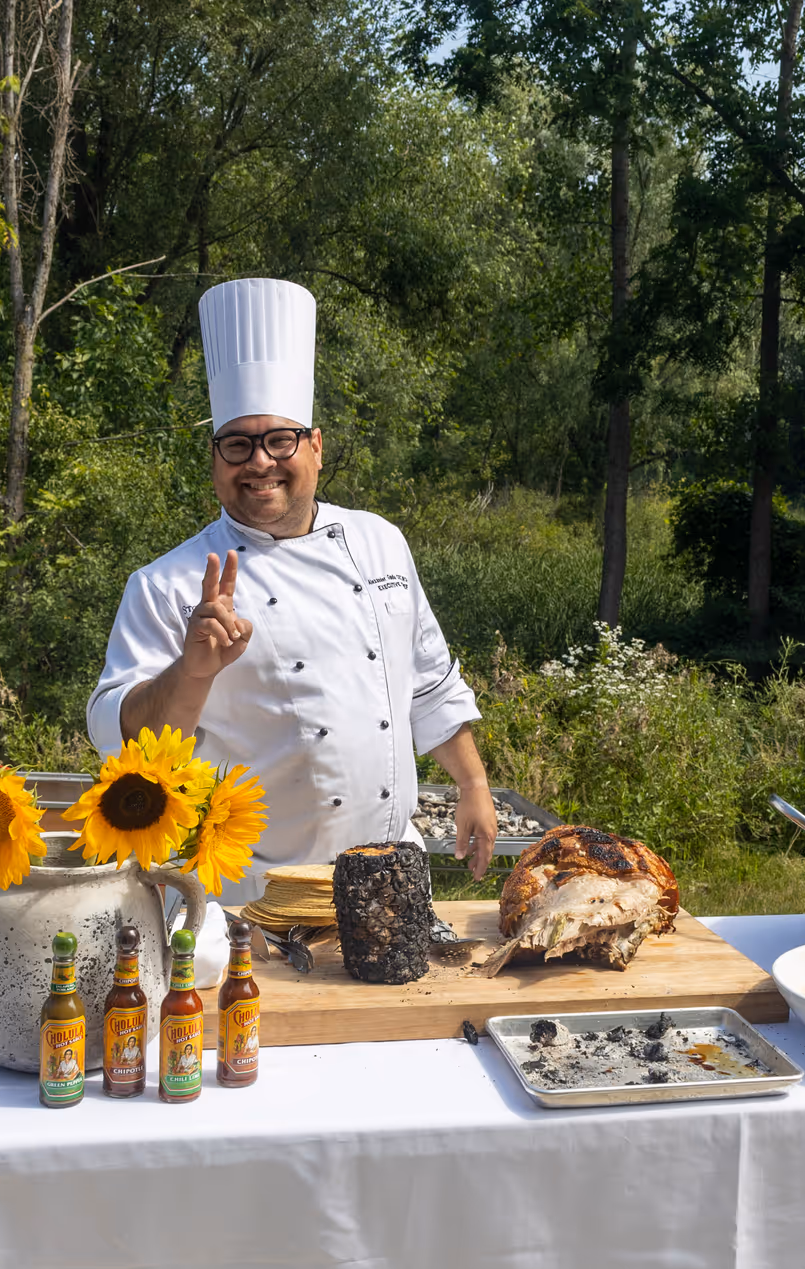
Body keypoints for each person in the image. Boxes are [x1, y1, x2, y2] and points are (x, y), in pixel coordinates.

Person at [86, 277, 497, 903]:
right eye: (238, 444)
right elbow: (120, 740)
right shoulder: (167, 585)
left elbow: (428, 680)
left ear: (316, 447)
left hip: (390, 881)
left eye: (280, 439)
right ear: (215, 457)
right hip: (253, 899)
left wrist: (472, 784)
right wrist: (191, 673)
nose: (259, 462)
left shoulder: (380, 541)